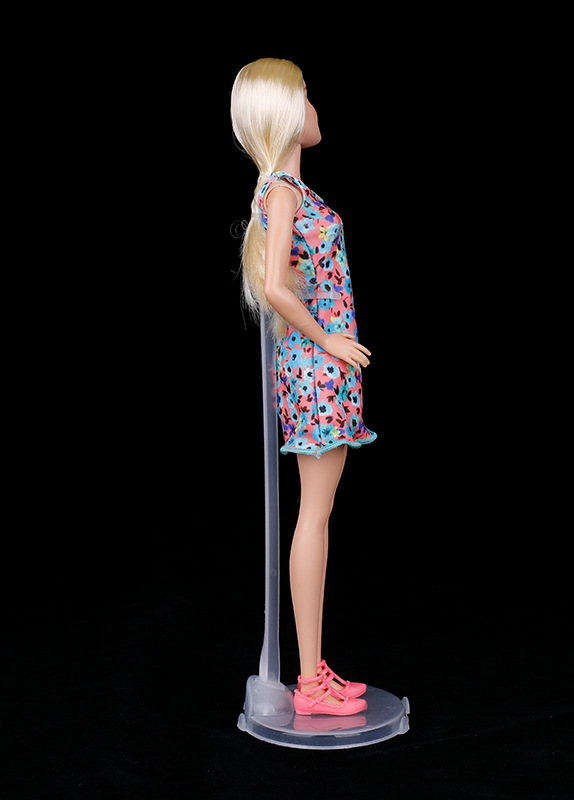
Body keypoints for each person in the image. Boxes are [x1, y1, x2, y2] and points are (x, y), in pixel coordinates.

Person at [231, 58, 375, 716]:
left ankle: (315, 671)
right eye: (307, 97)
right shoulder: (283, 192)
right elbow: (274, 287)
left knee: (319, 514)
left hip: (320, 372)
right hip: (316, 371)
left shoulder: (285, 190)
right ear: (289, 111)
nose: (316, 108)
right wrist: (329, 341)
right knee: (314, 517)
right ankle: (311, 684)